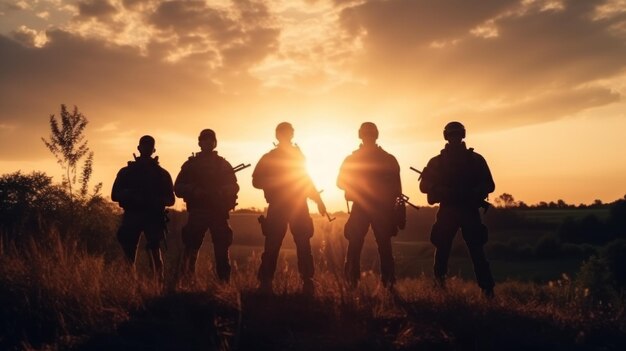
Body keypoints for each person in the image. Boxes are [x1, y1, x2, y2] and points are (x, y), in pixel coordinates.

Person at [419, 121, 496, 298]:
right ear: (447, 137)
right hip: (448, 210)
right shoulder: (437, 162)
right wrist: (439, 190)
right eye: (452, 135)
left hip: (469, 210)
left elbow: (489, 185)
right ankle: (439, 288)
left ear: (462, 136)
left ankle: (487, 290)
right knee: (442, 249)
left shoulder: (476, 160)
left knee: (477, 251)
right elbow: (424, 185)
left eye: (457, 135)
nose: (455, 138)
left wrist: (474, 192)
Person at [252, 122, 327, 295]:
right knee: (272, 244)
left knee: (303, 244)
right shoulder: (269, 157)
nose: (286, 136)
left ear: (291, 135)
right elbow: (256, 180)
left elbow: (305, 179)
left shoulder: (298, 156)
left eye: (288, 133)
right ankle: (265, 283)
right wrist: (274, 183)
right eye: (283, 133)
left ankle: (307, 282)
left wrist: (318, 200)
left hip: (298, 205)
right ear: (278, 135)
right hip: (279, 205)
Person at [337, 122, 402, 289]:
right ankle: (386, 283)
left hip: (369, 207)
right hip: (374, 207)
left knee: (359, 244)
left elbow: (340, 182)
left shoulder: (354, 159)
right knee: (377, 245)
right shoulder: (387, 158)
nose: (368, 137)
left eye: (368, 134)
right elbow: (397, 189)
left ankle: (353, 282)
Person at [175, 129, 239, 283]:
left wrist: (220, 191)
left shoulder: (222, 164)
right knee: (191, 247)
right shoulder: (191, 165)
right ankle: (186, 282)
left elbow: (234, 186)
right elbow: (178, 187)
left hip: (218, 211)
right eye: (205, 139)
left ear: (215, 142)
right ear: (199, 142)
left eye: (211, 139)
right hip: (198, 211)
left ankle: (223, 284)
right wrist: (195, 191)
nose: (208, 142)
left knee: (221, 249)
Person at [111, 135, 175, 283]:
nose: (146, 149)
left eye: (149, 146)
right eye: (144, 146)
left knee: (154, 253)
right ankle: (129, 287)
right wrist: (131, 195)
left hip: (153, 217)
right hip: (133, 216)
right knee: (129, 255)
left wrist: (154, 201)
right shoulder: (126, 172)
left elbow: (170, 199)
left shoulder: (161, 174)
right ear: (139, 148)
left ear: (154, 150)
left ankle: (157, 288)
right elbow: (115, 195)